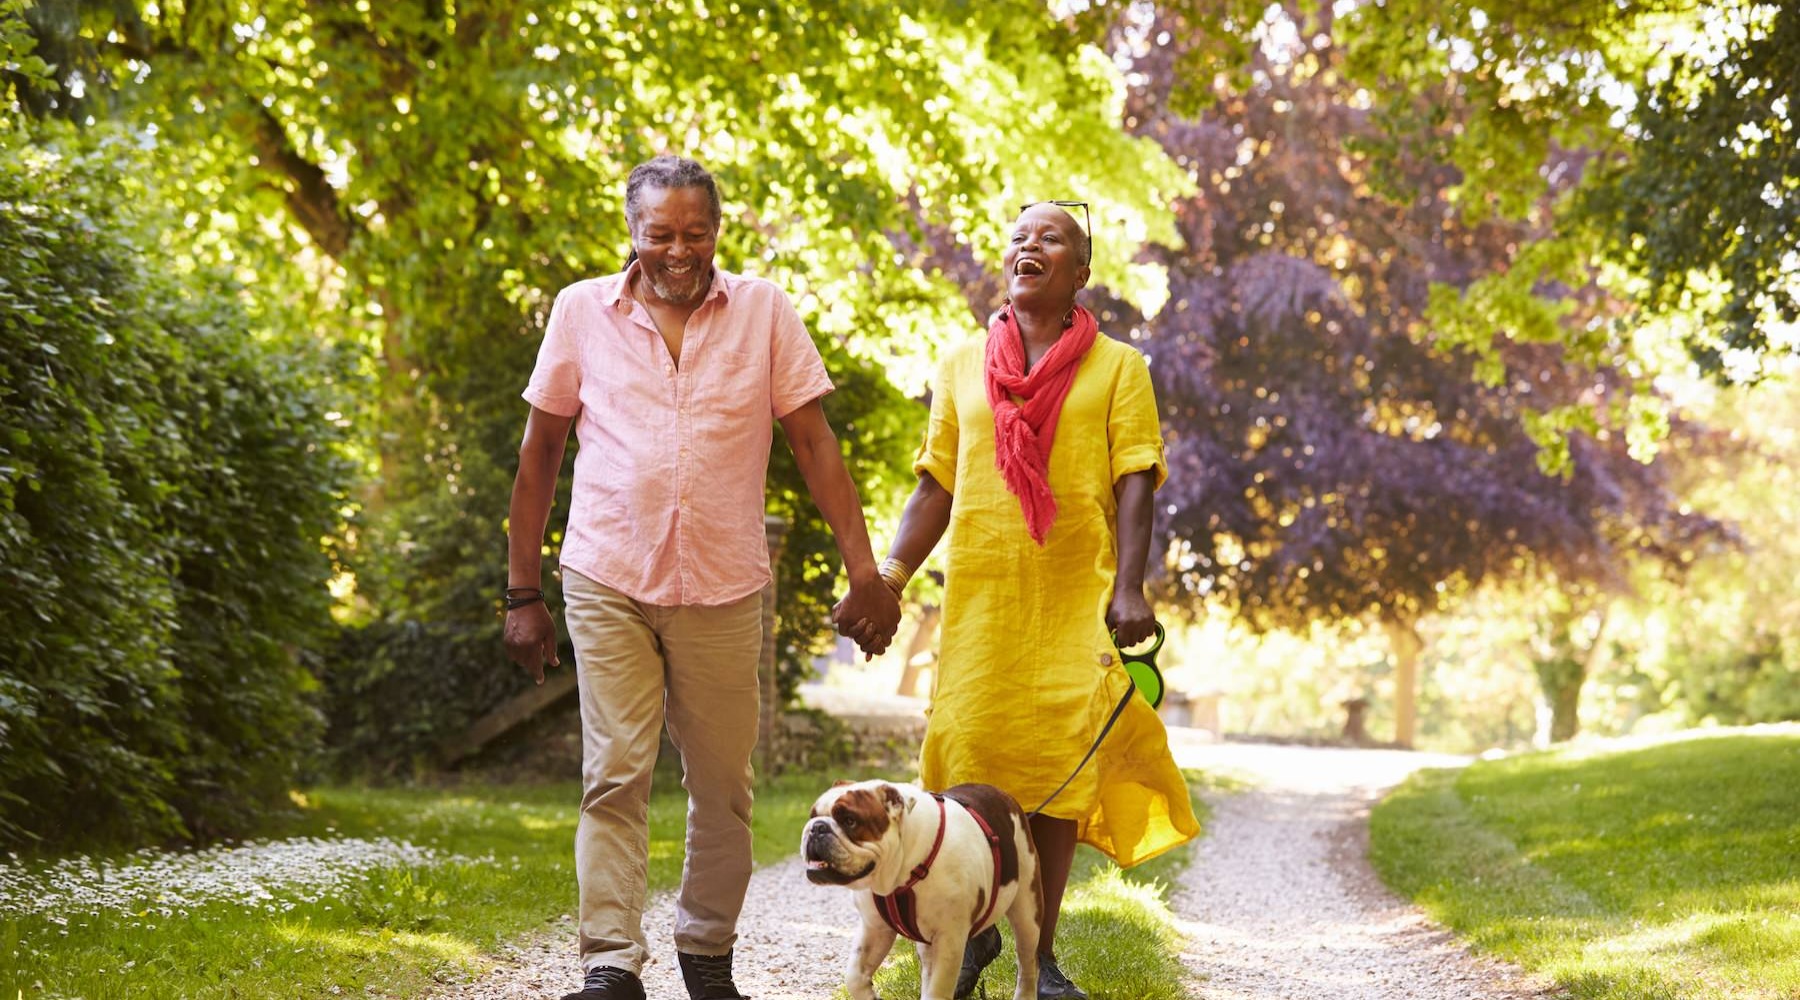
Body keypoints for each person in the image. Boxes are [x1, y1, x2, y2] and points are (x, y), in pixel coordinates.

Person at [504, 155, 903, 1000]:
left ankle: (707, 957)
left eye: (695, 233)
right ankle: (610, 963)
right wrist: (523, 593)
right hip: (608, 572)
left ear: (717, 232)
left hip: (723, 584)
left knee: (723, 786)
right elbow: (540, 452)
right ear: (632, 234)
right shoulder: (582, 311)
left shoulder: (763, 311)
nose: (678, 251)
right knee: (615, 771)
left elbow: (814, 442)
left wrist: (865, 571)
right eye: (660, 235)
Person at [842, 202, 1199, 999]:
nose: (1028, 245)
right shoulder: (962, 363)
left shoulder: (1118, 368)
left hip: (1075, 596)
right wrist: (890, 578)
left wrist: (1131, 587)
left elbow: (1135, 477)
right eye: (1018, 236)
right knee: (968, 761)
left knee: (1055, 779)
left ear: (1080, 272)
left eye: (1052, 238)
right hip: (982, 601)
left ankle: (1044, 953)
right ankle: (972, 935)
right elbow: (937, 482)